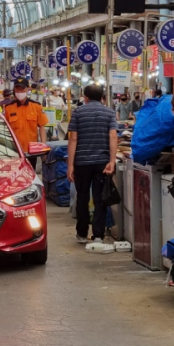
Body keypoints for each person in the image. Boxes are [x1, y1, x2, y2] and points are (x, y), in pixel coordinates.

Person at [67, 83, 118, 244]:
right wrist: (112, 161)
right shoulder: (109, 112)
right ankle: (98, 236)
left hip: (81, 162)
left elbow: (73, 139)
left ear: (85, 97)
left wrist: (70, 165)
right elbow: (113, 136)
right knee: (100, 199)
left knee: (82, 197)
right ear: (102, 97)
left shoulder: (78, 112)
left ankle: (82, 234)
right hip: (102, 162)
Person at [4, 78, 48, 161]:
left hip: (31, 151)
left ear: (28, 89)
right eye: (17, 89)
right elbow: (4, 129)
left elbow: (42, 127)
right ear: (14, 90)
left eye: (22, 89)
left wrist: (43, 148)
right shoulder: (8, 108)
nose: (20, 91)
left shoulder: (36, 106)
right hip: (14, 151)